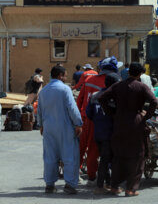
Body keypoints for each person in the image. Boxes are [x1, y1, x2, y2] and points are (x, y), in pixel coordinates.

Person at [98, 62, 158, 197]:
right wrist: (146, 115)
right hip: (136, 122)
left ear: (129, 72)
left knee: (119, 154)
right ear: (140, 74)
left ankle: (114, 186)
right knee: (138, 155)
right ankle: (131, 188)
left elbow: (101, 98)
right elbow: (154, 102)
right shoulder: (141, 86)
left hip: (119, 122)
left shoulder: (117, 85)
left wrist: (112, 113)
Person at [77, 56, 123, 186]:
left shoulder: (88, 79)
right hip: (102, 120)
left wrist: (80, 116)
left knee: (81, 148)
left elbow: (79, 99)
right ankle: (92, 177)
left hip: (86, 117)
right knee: (94, 150)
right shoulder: (114, 81)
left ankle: (75, 174)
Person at [37, 65, 83, 194]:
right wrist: (78, 123)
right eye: (65, 75)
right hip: (65, 127)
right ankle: (70, 185)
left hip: (48, 128)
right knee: (69, 156)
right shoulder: (65, 89)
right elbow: (72, 108)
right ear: (60, 76)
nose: (66, 77)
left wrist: (41, 125)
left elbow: (39, 110)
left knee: (50, 156)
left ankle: (49, 185)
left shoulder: (44, 91)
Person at [86, 73, 120, 194]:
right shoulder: (115, 97)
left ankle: (108, 183)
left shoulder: (95, 95)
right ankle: (100, 186)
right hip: (109, 133)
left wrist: (98, 120)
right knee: (107, 160)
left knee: (104, 158)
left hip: (98, 133)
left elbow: (88, 113)